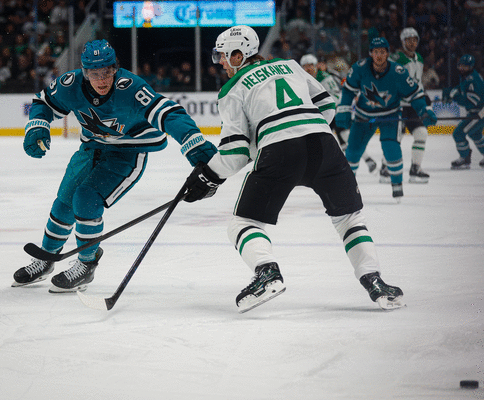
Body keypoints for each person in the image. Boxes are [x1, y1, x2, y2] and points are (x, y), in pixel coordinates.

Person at [183, 25, 405, 313]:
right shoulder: (290, 66)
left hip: (280, 153)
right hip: (324, 146)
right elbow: (327, 105)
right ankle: (375, 281)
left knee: (243, 223)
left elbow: (235, 153)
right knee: (349, 219)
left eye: (224, 56)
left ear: (239, 55)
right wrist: (298, 129)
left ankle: (267, 273)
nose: (221, 63)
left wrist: (207, 176)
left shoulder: (232, 89)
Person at [12, 39, 217, 292]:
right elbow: (43, 102)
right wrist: (38, 125)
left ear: (115, 68)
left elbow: (168, 113)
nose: (102, 79)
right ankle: (46, 257)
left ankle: (86, 264)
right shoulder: (70, 84)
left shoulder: (130, 87)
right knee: (64, 201)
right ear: (84, 72)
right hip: (92, 148)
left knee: (86, 198)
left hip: (128, 152)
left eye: (107, 71)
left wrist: (192, 142)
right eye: (94, 73)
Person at [336, 37, 437, 201]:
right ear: (371, 53)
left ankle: (397, 185)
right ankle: (347, 188)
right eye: (376, 52)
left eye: (382, 52)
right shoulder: (359, 68)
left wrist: (423, 111)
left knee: (391, 148)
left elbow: (415, 94)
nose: (379, 55)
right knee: (353, 151)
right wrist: (344, 110)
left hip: (390, 116)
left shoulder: (398, 72)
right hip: (364, 116)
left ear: (387, 53)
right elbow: (348, 90)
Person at [300, 53, 377, 173]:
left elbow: (336, 95)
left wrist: (320, 106)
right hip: (321, 114)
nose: (308, 68)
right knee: (331, 141)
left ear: (316, 66)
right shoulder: (302, 79)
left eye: (310, 65)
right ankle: (365, 161)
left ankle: (367, 160)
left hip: (334, 110)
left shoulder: (324, 77)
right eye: (305, 66)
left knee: (344, 137)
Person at [386, 27, 431, 183]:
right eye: (408, 40)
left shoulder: (419, 58)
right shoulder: (396, 58)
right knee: (396, 137)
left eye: (414, 40)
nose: (412, 43)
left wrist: (423, 95)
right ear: (403, 42)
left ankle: (415, 169)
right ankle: (386, 168)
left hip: (412, 105)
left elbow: (417, 81)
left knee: (421, 133)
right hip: (398, 105)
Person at [442, 54, 484, 169]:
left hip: (479, 113)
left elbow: (471, 103)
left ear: (471, 66)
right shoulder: (467, 76)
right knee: (475, 134)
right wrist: (453, 91)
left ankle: (465, 159)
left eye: (465, 66)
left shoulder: (473, 80)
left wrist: (455, 96)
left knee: (458, 133)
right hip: (477, 112)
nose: (462, 68)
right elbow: (461, 87)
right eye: (461, 65)